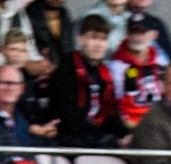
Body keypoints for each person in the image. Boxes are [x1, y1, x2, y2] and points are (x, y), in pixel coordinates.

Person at [49, 11, 126, 146]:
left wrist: (126, 135)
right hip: (70, 139)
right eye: (93, 37)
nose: (99, 44)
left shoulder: (104, 73)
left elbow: (110, 113)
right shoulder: (67, 69)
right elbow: (70, 120)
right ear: (80, 39)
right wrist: (106, 138)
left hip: (95, 136)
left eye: (103, 39)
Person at [107, 11, 165, 126]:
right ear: (127, 35)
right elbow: (116, 106)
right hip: (132, 124)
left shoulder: (160, 60)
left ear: (154, 35)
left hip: (161, 122)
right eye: (133, 32)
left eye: (142, 32)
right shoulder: (117, 66)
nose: (137, 38)